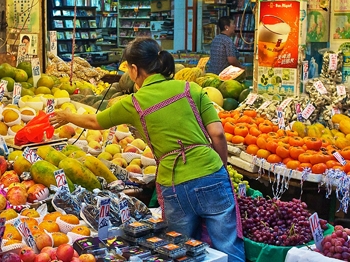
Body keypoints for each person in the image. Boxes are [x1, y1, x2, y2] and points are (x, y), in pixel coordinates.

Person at [49, 38, 245, 262]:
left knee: (179, 250)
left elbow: (95, 121)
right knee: (228, 245)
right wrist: (219, 167)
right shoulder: (191, 88)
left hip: (174, 181)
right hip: (211, 173)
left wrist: (66, 116)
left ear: (134, 69)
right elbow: (217, 133)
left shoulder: (134, 102)